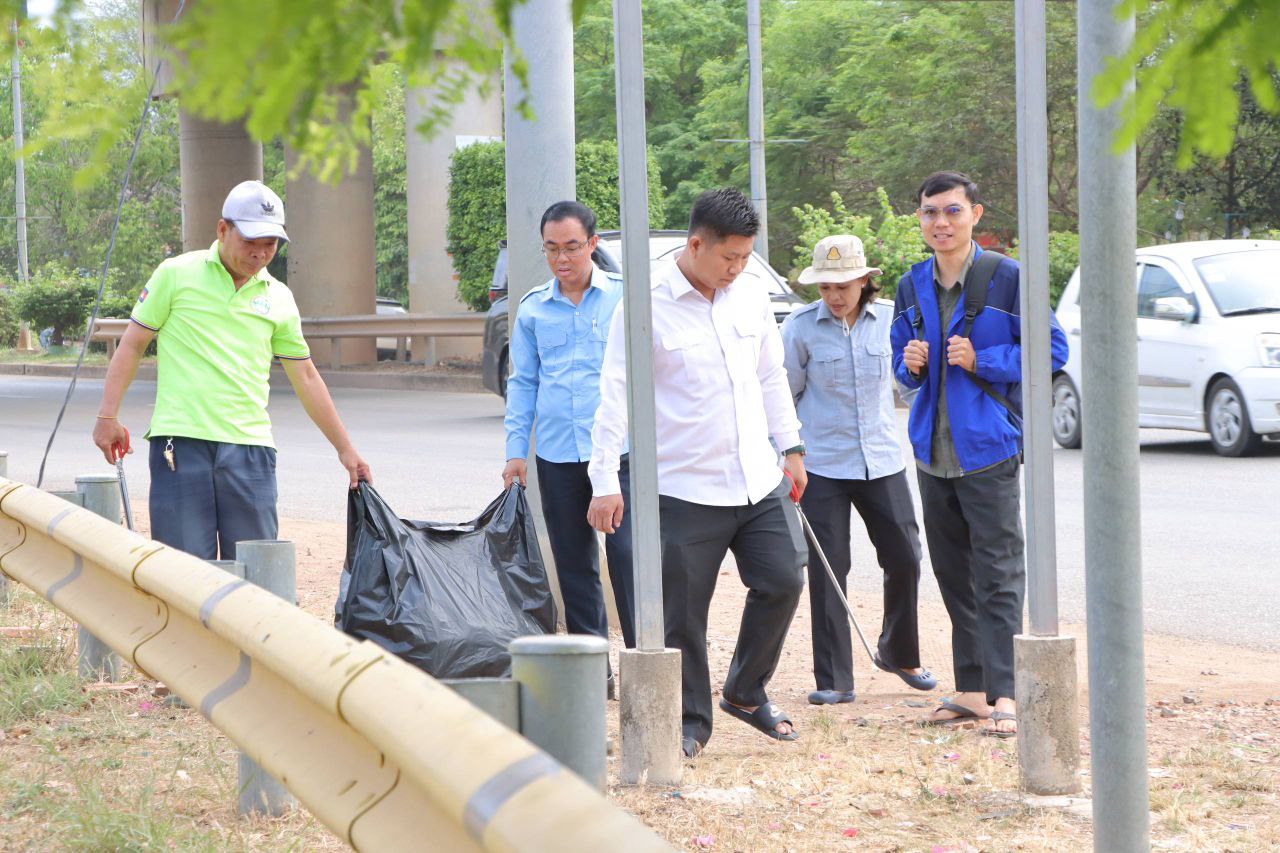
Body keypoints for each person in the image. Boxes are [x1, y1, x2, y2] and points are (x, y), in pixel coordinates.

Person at [587, 187, 808, 759]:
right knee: (683, 612)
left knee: (784, 578)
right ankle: (690, 722)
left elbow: (771, 376)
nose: (737, 269)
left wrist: (791, 446)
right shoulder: (645, 304)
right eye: (729, 257)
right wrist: (604, 480)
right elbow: (614, 393)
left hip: (756, 477)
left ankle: (745, 690)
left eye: (746, 257)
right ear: (695, 245)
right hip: (682, 486)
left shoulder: (751, 295)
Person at [91, 180, 372, 560]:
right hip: (181, 443)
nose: (260, 253)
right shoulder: (175, 274)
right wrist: (107, 416)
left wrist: (345, 449)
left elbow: (306, 376)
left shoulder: (279, 298)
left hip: (251, 449)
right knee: (184, 571)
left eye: (270, 244)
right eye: (251, 241)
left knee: (255, 570)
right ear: (222, 230)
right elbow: (132, 344)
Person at [890, 171, 1068, 738]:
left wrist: (982, 360)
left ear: (975, 214)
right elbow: (901, 367)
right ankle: (972, 689)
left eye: (952, 211)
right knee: (953, 573)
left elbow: (1052, 350)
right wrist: (909, 366)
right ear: (919, 219)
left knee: (998, 572)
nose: (940, 222)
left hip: (988, 448)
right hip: (931, 452)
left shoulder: (1007, 278)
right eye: (930, 212)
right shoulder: (910, 284)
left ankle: (1006, 692)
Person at [781, 234, 936, 707]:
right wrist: (787, 453)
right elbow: (782, 396)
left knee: (905, 556)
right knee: (830, 568)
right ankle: (834, 678)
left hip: (882, 460)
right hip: (821, 465)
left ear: (865, 281)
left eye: (843, 285)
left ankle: (900, 653)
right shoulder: (799, 328)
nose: (834, 296)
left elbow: (911, 385)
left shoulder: (891, 320)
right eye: (825, 287)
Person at [502, 201, 637, 674]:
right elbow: (523, 383)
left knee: (628, 558)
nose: (562, 258)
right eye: (552, 249)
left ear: (593, 244)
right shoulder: (533, 309)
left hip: (619, 453)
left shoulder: (623, 298)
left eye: (572, 247)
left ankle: (643, 664)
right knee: (575, 566)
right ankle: (592, 674)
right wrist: (515, 452)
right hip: (558, 454)